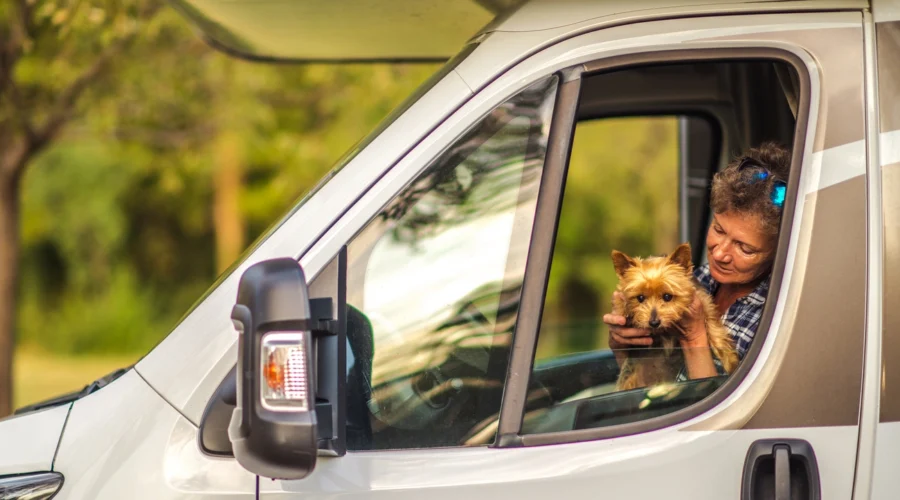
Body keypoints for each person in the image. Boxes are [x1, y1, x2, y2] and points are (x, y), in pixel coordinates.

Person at [603, 141, 791, 381]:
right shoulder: (699, 279)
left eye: (745, 248)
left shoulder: (776, 315)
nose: (720, 254)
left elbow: (724, 411)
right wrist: (624, 345)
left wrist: (695, 338)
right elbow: (645, 383)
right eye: (719, 230)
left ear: (779, 250)